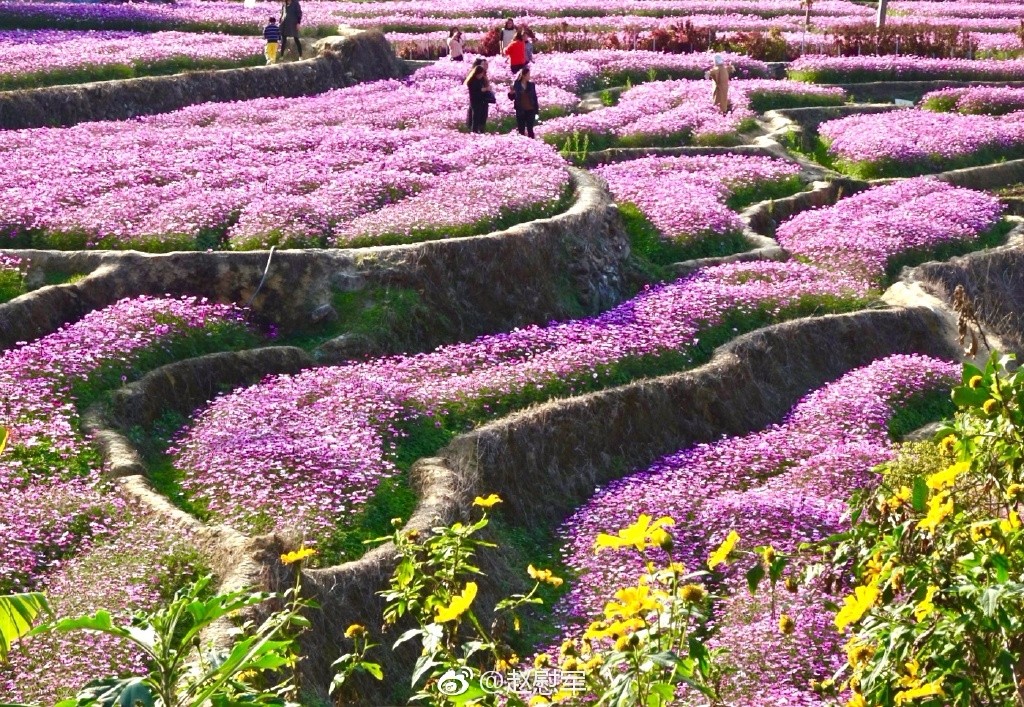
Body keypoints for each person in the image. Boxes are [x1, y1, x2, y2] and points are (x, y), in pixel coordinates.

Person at [509, 67, 539, 138]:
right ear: (524, 75)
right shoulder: (516, 84)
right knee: (521, 129)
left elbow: (534, 97)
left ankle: (532, 144)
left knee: (530, 129)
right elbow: (511, 98)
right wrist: (511, 93)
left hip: (530, 109)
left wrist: (536, 111)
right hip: (520, 110)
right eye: (528, 74)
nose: (529, 76)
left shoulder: (531, 85)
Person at [465, 58, 493, 133]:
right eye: (480, 74)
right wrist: (486, 88)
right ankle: (474, 133)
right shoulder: (472, 81)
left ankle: (481, 131)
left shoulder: (481, 79)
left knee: (482, 117)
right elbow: (478, 89)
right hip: (476, 102)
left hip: (483, 101)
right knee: (475, 118)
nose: (481, 75)